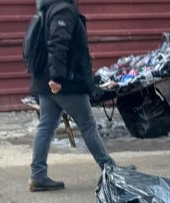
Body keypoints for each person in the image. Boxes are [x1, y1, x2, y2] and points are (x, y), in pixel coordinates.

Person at [26, 0, 114, 192]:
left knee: (46, 126)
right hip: (65, 82)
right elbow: (58, 43)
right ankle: (112, 171)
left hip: (45, 81)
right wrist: (57, 77)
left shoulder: (48, 7)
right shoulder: (63, 9)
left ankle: (38, 175)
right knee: (88, 125)